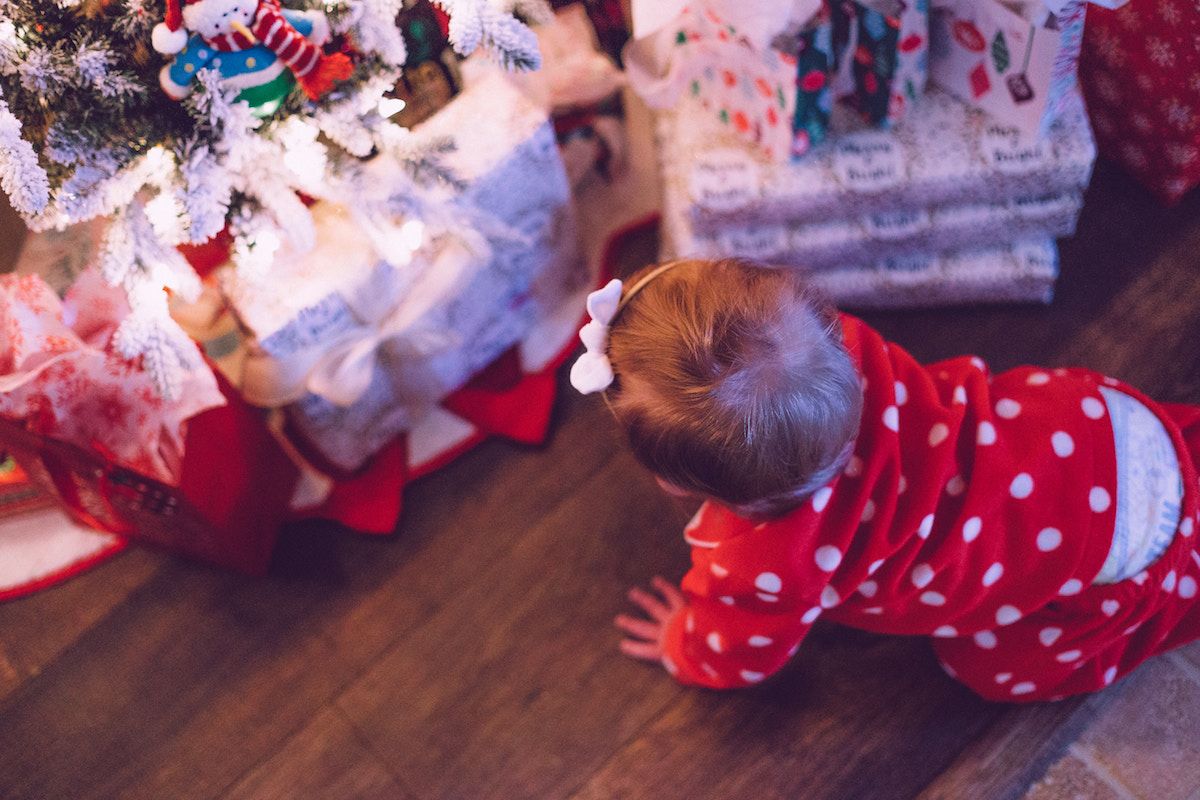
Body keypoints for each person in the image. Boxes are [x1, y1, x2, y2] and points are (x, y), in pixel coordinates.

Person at [570, 257, 1200, 702]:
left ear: (670, 482)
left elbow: (738, 650)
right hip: (1096, 423)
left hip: (1110, 559)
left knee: (980, 667)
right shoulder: (845, 349)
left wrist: (686, 644)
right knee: (1011, 433)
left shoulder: (760, 565)